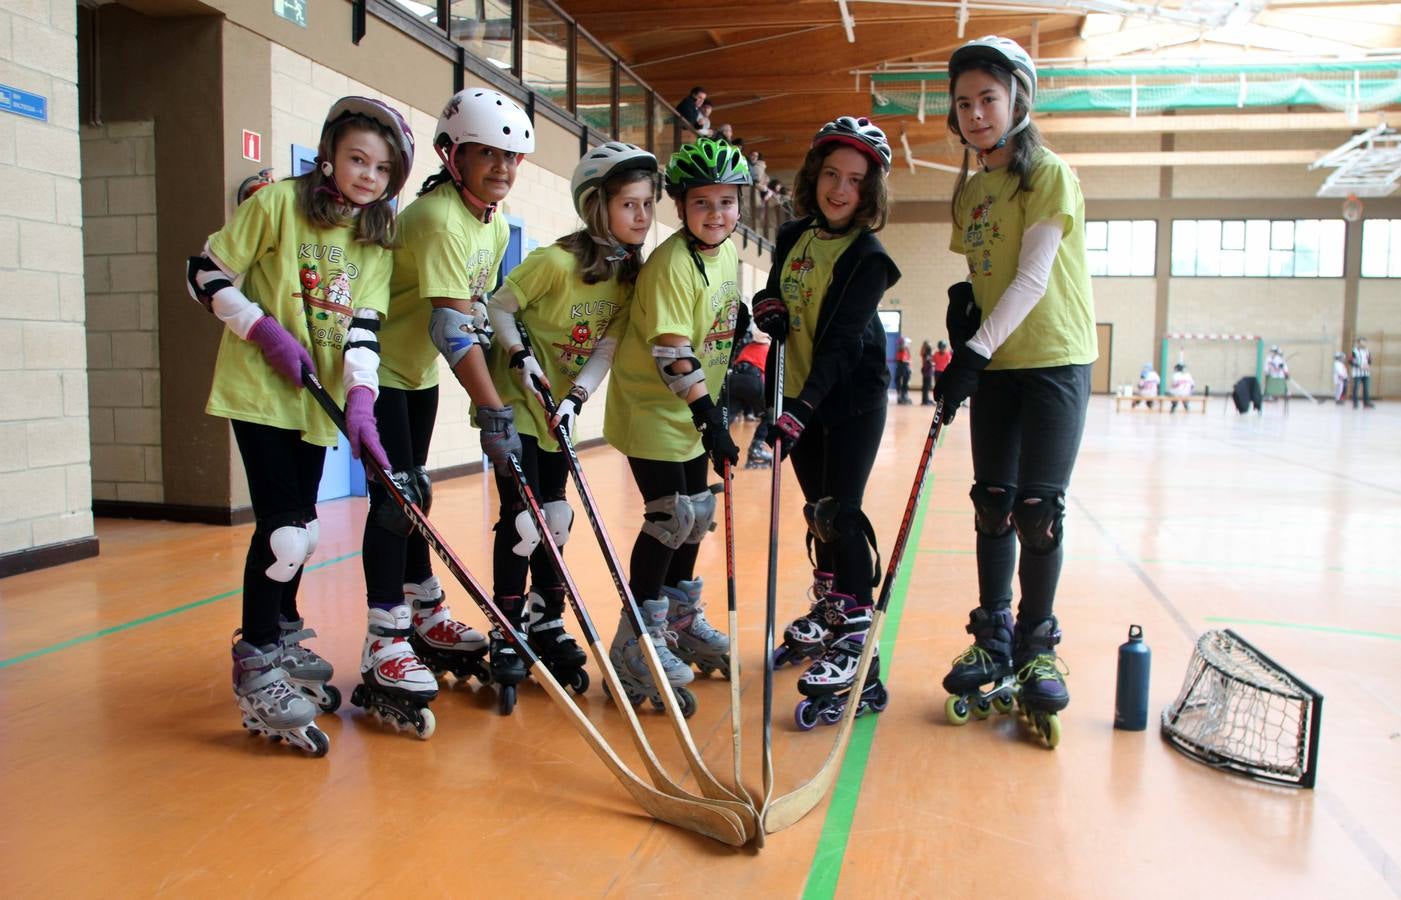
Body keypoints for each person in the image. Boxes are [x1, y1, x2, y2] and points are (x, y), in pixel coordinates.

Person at [187, 96, 412, 754]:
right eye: (356, 159)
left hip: (315, 402)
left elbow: (364, 334)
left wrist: (363, 403)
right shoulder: (277, 204)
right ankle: (257, 657)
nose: (367, 175)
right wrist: (259, 328)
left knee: (304, 531)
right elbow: (202, 273)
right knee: (285, 534)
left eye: (382, 167)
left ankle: (283, 635)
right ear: (330, 154)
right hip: (260, 389)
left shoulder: (375, 238)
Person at [932, 36, 1097, 740]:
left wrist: (970, 349)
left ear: (1018, 101)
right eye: (964, 102)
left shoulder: (1049, 175)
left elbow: (1031, 278)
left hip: (1054, 360)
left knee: (1038, 509)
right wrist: (963, 313)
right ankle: (991, 635)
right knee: (991, 502)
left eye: (988, 99)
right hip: (995, 364)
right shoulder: (968, 189)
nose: (975, 113)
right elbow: (986, 275)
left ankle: (1037, 648)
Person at [372, 87, 534, 720]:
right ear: (452, 154)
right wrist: (494, 410)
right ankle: (385, 636)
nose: (502, 168)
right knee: (394, 502)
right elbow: (449, 326)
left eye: (512, 158)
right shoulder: (440, 218)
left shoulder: (489, 224)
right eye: (487, 155)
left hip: (414, 374)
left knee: (416, 495)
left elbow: (473, 310)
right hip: (379, 370)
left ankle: (424, 609)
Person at [482, 141, 661, 705]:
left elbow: (605, 344)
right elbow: (498, 306)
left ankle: (546, 618)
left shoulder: (630, 277)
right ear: (596, 206)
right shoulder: (554, 263)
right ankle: (505, 629)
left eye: (647, 205)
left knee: (555, 517)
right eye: (629, 205)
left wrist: (578, 396)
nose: (642, 217)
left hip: (558, 410)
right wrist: (520, 357)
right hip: (516, 402)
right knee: (521, 522)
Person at [753, 116, 900, 724]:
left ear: (870, 193)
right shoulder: (792, 235)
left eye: (856, 182)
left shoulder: (870, 257)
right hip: (798, 396)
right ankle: (831, 610)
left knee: (842, 511)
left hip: (849, 399)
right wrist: (768, 308)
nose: (840, 190)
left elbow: (841, 344)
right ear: (815, 176)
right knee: (819, 516)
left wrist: (802, 411)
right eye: (832, 175)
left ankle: (859, 649)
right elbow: (774, 292)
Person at [602, 136, 750, 711]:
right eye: (702, 204)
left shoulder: (728, 254)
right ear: (682, 207)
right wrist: (710, 415)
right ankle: (637, 641)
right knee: (670, 517)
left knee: (696, 517)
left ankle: (680, 622)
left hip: (690, 410)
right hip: (653, 408)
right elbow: (671, 351)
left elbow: (721, 319)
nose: (716, 215)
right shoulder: (670, 265)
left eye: (727, 202)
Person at [729, 324, 773, 468]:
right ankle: (757, 449)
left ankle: (710, 446)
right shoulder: (768, 349)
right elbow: (767, 378)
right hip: (753, 381)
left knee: (726, 417)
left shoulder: (747, 348)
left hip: (734, 381)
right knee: (770, 415)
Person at [1351, 336, 1374, 408]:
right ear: (1358, 343)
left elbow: (1369, 360)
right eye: (1362, 341)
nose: (1364, 343)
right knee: (1356, 388)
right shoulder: (1354, 351)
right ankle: (1355, 403)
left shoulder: (1367, 351)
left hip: (1366, 373)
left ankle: (1366, 403)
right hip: (1357, 373)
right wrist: (1359, 366)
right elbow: (1351, 361)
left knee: (1366, 388)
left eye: (1365, 341)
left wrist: (1368, 365)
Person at [894, 335, 913, 404]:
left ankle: (903, 395)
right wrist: (908, 364)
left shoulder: (905, 350)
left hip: (904, 367)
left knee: (904, 382)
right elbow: (903, 360)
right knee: (902, 382)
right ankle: (902, 396)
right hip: (903, 367)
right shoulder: (902, 350)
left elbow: (907, 359)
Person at [920, 339, 935, 405]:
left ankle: (925, 399)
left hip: (925, 370)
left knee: (925, 386)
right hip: (927, 371)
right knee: (926, 386)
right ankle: (925, 401)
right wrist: (933, 364)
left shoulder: (924, 353)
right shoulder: (927, 353)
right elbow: (929, 362)